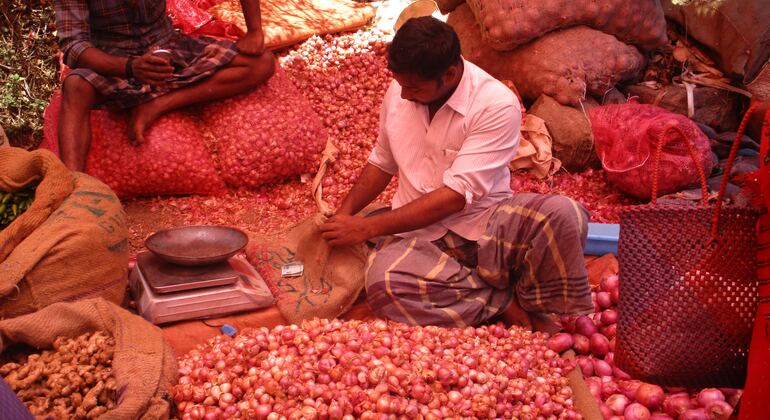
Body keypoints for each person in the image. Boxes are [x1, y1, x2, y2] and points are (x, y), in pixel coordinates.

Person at [320, 17, 593, 331]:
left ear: (449, 74)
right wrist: (344, 217)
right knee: (385, 284)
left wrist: (366, 228)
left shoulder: (495, 104)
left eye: (413, 88)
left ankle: (522, 300)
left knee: (564, 214)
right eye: (401, 84)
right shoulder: (400, 91)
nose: (404, 95)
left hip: (485, 227)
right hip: (419, 238)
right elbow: (382, 162)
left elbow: (453, 198)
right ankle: (500, 300)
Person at [54, 0, 275, 171]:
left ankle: (158, 105)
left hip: (167, 46)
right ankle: (74, 190)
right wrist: (130, 67)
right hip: (112, 58)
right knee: (75, 87)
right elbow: (74, 46)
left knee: (262, 63)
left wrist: (255, 30)